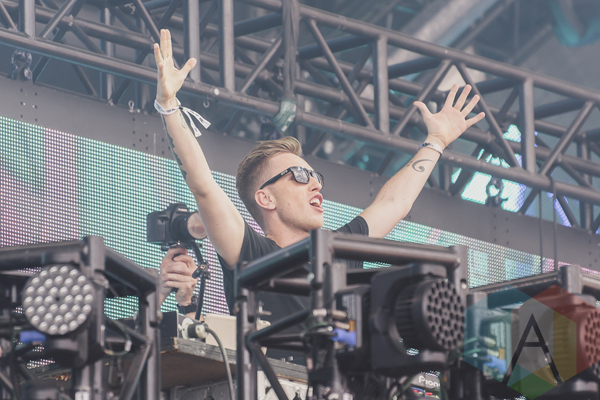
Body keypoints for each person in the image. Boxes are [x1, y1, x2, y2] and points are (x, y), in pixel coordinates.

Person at [153, 29, 484, 314]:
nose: (314, 185)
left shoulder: (340, 251)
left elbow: (394, 203)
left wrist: (436, 141)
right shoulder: (252, 253)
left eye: (315, 177)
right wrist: (168, 106)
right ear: (265, 198)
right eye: (299, 176)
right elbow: (204, 186)